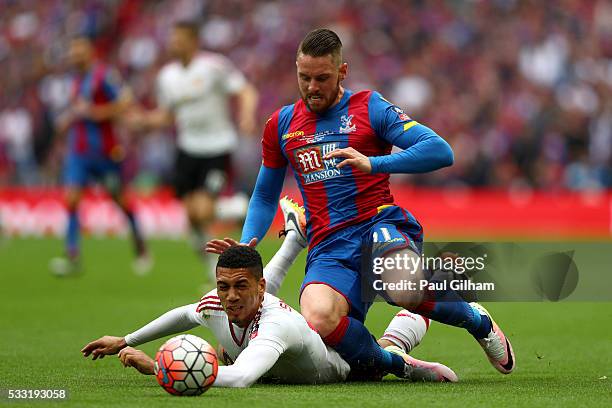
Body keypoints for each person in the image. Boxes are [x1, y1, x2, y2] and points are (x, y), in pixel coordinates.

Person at [207, 28, 515, 378]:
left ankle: (479, 322)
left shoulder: (369, 107)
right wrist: (249, 241)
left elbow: (440, 151)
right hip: (328, 244)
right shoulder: (281, 125)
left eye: (322, 78)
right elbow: (264, 194)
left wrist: (374, 163)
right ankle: (398, 364)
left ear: (342, 72)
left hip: (377, 225)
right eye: (304, 77)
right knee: (319, 319)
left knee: (405, 289)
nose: (311, 87)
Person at [81, 244, 457, 387]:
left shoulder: (275, 324)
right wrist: (125, 340)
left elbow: (244, 377)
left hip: (345, 364)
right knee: (223, 348)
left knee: (386, 356)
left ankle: (407, 358)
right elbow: (181, 315)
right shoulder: (217, 304)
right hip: (291, 358)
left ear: (261, 288)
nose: (229, 297)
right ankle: (402, 335)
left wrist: (158, 369)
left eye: (240, 286)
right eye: (223, 286)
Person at [127, 21, 258, 281]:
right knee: (191, 216)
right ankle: (212, 266)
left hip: (217, 147)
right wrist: (143, 121)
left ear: (193, 41)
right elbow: (167, 116)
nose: (173, 44)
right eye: (172, 39)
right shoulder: (167, 77)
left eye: (179, 39)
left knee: (202, 211)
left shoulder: (213, 67)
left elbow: (246, 91)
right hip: (187, 150)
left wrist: (246, 115)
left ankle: (239, 207)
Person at [50, 35, 150, 276]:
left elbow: (125, 101)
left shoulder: (104, 75)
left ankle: (140, 246)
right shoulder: (76, 80)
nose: (75, 55)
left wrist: (97, 112)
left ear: (90, 51)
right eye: (72, 51)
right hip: (79, 153)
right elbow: (79, 110)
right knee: (72, 199)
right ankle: (72, 256)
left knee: (120, 201)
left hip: (106, 153)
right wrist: (68, 119)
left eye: (79, 50)